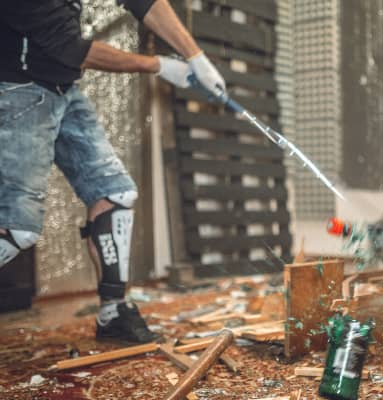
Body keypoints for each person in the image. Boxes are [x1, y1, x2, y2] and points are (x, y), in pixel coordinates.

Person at [0, 0, 226, 344]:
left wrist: (196, 57)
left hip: (62, 88)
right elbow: (72, 50)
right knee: (17, 229)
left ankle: (114, 313)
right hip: (19, 90)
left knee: (114, 194)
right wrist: (159, 65)